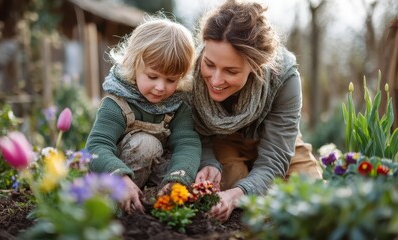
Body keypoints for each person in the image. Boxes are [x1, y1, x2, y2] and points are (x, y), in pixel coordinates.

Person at [191, 0, 323, 222]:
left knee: (313, 198)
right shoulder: (191, 73)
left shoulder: (285, 77)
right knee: (244, 201)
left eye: (231, 71)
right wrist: (209, 163)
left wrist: (236, 195)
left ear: (255, 66)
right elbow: (196, 134)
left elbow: (275, 158)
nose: (215, 80)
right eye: (210, 64)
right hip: (224, 140)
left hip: (278, 142)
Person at [86, 16, 201, 214]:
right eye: (152, 76)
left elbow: (187, 143)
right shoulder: (117, 104)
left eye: (171, 80)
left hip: (154, 177)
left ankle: (157, 208)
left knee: (190, 170)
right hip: (114, 180)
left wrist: (177, 179)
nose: (160, 87)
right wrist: (120, 178)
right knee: (146, 145)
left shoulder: (177, 106)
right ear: (134, 65)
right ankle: (117, 210)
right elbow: (96, 147)